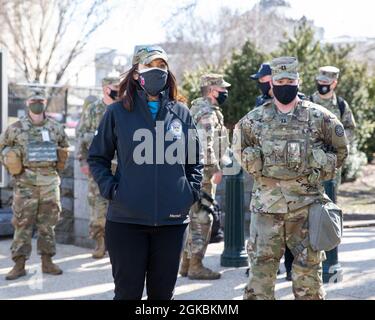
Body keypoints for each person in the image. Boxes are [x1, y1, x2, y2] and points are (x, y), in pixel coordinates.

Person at [87, 45, 203, 300]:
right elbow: (97, 157)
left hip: (172, 224)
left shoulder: (182, 113)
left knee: (162, 297)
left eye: (162, 66)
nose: (157, 71)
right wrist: (113, 190)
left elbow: (195, 159)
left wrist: (189, 192)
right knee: (127, 294)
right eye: (150, 66)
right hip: (126, 222)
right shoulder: (116, 112)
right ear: (137, 72)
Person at [234, 57, 349, 300]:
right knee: (260, 277)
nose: (285, 85)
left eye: (290, 80)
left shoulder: (321, 117)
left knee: (308, 276)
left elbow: (340, 150)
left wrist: (321, 168)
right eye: (280, 81)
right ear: (272, 84)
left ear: (298, 82)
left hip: (306, 208)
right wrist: (254, 164)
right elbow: (239, 149)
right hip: (266, 209)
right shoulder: (254, 119)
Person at [0, 90, 70, 280]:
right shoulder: (15, 128)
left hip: (49, 181)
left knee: (48, 225)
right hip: (25, 183)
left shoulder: (56, 128)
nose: (37, 103)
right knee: (22, 223)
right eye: (33, 100)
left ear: (45, 103)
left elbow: (64, 148)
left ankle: (47, 262)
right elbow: (2, 150)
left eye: (40, 101)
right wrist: (11, 164)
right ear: (27, 102)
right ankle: (19, 264)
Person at [179, 74, 231, 280]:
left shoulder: (197, 108)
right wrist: (215, 170)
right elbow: (205, 146)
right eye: (221, 89)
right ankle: (196, 265)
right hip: (202, 174)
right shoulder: (206, 113)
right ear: (211, 90)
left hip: (194, 173)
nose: (225, 92)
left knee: (194, 217)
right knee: (203, 217)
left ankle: (186, 263)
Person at [250, 62, 294, 280]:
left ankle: (292, 267)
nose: (259, 84)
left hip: (293, 180)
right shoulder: (260, 104)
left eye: (262, 79)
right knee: (265, 228)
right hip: (266, 180)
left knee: (293, 228)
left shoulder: (298, 102)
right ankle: (263, 265)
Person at [77, 76, 120, 259]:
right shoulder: (93, 110)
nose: (118, 90)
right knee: (97, 205)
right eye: (115, 87)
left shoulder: (124, 107)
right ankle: (100, 243)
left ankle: (118, 244)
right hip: (99, 165)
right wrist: (83, 161)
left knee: (120, 205)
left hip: (121, 166)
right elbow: (80, 134)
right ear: (105, 89)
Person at [310, 66, 356, 203]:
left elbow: (351, 129)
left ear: (334, 83)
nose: (322, 85)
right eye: (320, 82)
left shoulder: (341, 105)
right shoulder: (308, 102)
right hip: (311, 162)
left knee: (331, 200)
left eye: (326, 83)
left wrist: (337, 142)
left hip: (333, 162)